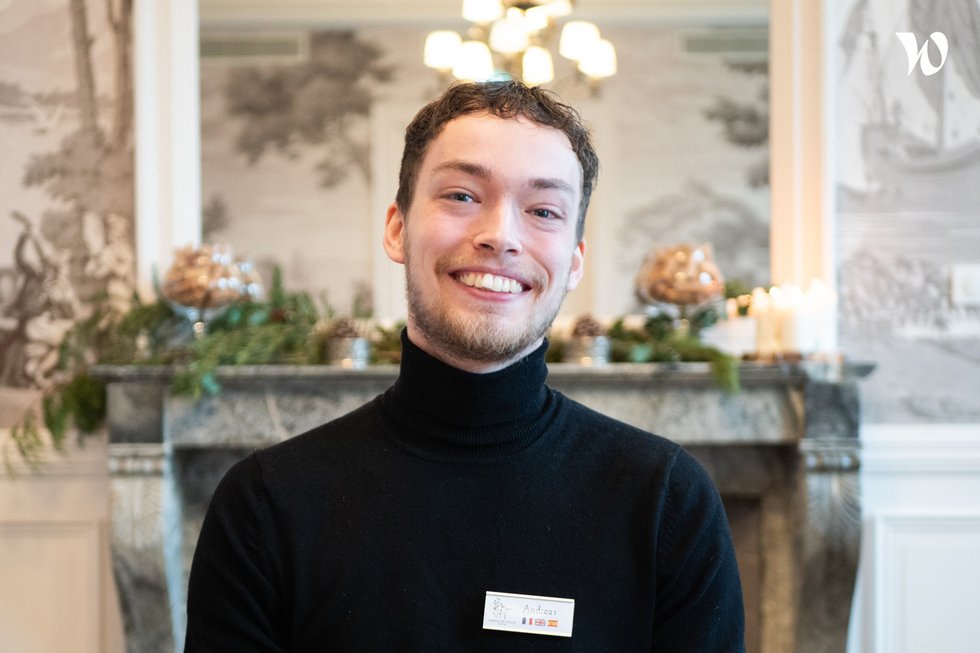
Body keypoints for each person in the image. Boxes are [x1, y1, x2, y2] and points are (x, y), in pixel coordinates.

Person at [184, 80, 745, 651]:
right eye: (461, 196)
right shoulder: (267, 504)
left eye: (544, 210)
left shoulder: (666, 501)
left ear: (574, 262)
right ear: (398, 228)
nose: (499, 236)